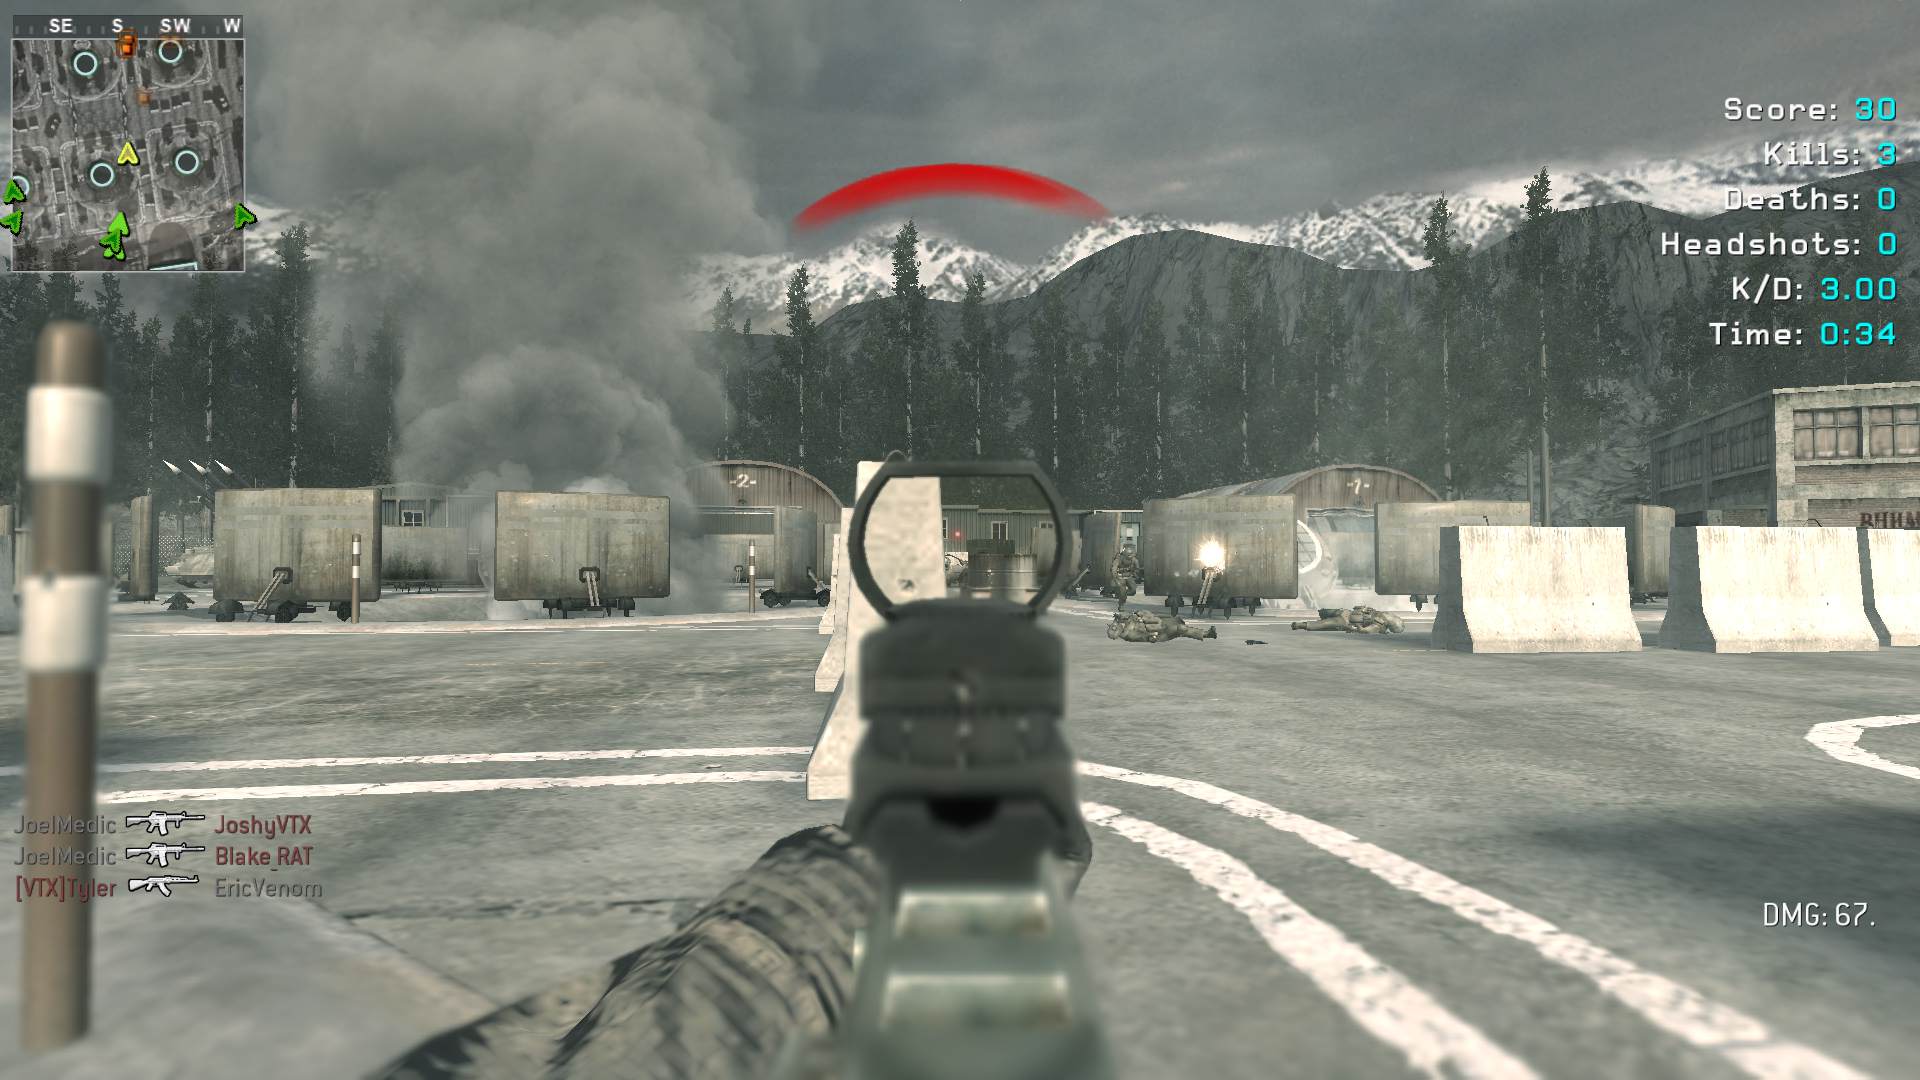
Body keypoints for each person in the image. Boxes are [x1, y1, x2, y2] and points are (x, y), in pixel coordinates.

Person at [1108, 610, 1216, 643]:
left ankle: (1207, 634)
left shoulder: (1124, 623)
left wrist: (1136, 615)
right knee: (1181, 629)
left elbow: (1131, 615)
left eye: (1113, 625)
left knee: (1180, 626)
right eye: (1114, 628)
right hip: (1161, 633)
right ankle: (1207, 634)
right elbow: (1145, 637)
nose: (1115, 625)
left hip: (1158, 623)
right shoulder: (1130, 635)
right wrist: (1152, 636)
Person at [1290, 605, 1405, 634]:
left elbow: (1365, 630)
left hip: (1346, 616)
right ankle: (1301, 625)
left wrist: (1354, 627)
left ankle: (1301, 625)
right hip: (1346, 617)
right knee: (1324, 619)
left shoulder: (1380, 619)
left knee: (1325, 621)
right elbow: (1365, 630)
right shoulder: (1379, 623)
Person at [1109, 542, 1141, 610]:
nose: (1130, 557)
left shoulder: (1134, 560)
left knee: (1133, 590)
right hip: (1120, 577)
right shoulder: (1119, 559)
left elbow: (1137, 569)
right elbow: (1114, 570)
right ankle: (1121, 604)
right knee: (1122, 592)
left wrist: (1134, 575)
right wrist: (1116, 579)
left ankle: (1122, 594)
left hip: (1129, 576)